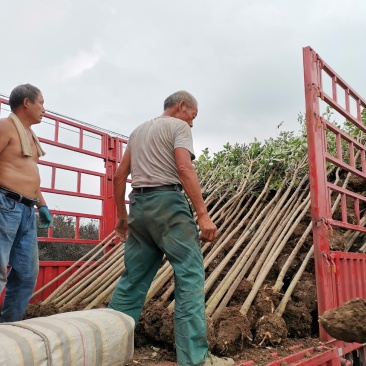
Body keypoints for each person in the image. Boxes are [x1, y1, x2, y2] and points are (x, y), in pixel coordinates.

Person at [108, 91, 234, 366]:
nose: (192, 123)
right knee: (189, 274)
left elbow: (119, 176)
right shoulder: (177, 127)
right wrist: (203, 215)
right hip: (167, 204)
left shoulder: (138, 131)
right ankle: (194, 359)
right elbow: (184, 168)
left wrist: (121, 216)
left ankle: (109, 351)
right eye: (193, 115)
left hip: (138, 206)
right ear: (181, 107)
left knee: (132, 280)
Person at [0, 83, 53, 323]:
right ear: (26, 103)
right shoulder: (5, 128)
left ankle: (8, 330)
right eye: (41, 102)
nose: (44, 108)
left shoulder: (30, 135)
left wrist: (41, 204)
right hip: (5, 205)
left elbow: (30, 175)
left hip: (26, 210)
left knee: (26, 275)